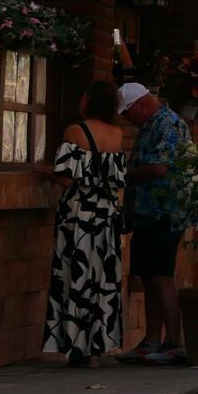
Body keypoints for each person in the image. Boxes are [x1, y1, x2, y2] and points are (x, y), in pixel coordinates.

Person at [38, 81, 127, 367]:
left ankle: (74, 344)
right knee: (101, 279)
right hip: (106, 215)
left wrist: (44, 171)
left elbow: (66, 177)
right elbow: (116, 180)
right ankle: (97, 349)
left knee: (74, 276)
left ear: (88, 100)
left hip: (78, 214)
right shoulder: (117, 135)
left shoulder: (75, 131)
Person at [115, 83, 190, 366]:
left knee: (161, 276)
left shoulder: (168, 124)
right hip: (147, 212)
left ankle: (173, 342)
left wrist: (126, 176)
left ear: (141, 104)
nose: (126, 120)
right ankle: (152, 340)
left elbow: (159, 167)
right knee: (148, 276)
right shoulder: (150, 125)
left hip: (165, 212)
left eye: (127, 113)